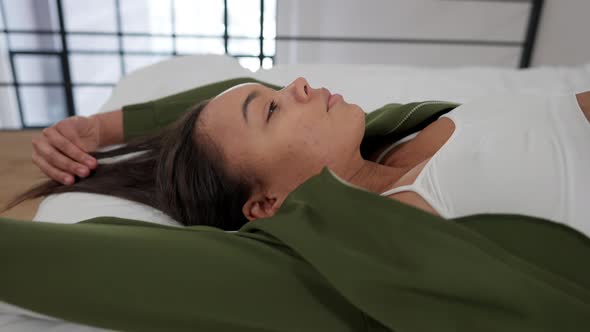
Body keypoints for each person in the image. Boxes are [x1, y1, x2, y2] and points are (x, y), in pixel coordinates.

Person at [7, 77, 590, 231]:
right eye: (273, 109)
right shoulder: (402, 223)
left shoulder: (393, 140)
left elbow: (228, 90)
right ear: (266, 203)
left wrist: (99, 127)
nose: (302, 84)